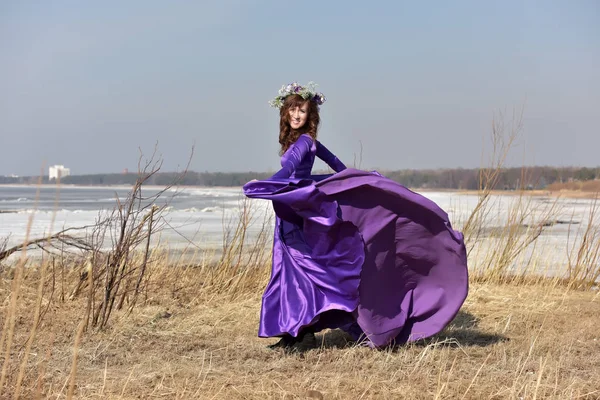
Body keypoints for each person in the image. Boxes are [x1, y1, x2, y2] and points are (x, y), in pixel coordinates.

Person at [243, 82, 468, 353]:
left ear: (310, 114)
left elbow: (291, 169)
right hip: (294, 210)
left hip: (301, 214)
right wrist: (352, 178)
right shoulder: (306, 141)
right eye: (292, 109)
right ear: (284, 113)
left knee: (303, 274)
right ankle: (293, 334)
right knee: (293, 274)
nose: (296, 115)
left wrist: (267, 184)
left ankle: (303, 335)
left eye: (301, 110)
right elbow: (337, 166)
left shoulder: (304, 141)